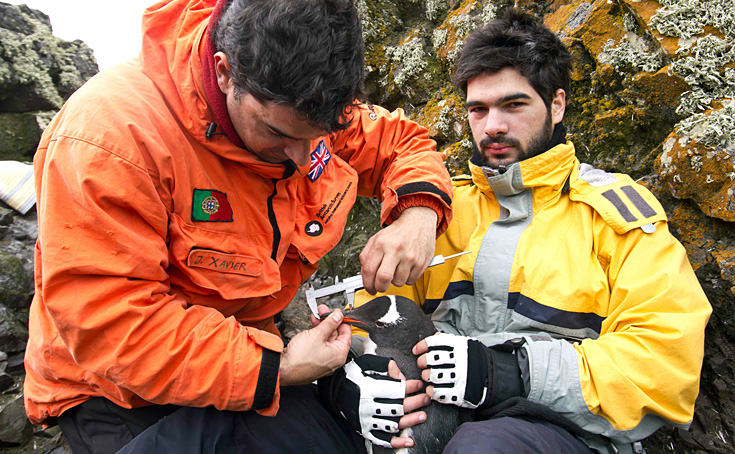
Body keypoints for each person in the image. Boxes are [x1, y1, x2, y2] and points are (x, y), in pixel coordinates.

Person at [24, 0, 452, 452]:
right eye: (278, 134)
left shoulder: (309, 107)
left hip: (252, 351)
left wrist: (418, 214)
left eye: (317, 137)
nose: (306, 157)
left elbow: (400, 144)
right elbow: (113, 326)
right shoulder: (110, 140)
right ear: (224, 72)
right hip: (118, 390)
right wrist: (279, 368)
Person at [346, 8, 711, 454]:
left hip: (564, 433)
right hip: (433, 419)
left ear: (556, 105)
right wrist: (353, 379)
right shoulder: (445, 210)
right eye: (477, 109)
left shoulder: (615, 217)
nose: (492, 125)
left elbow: (665, 368)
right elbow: (372, 315)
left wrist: (510, 371)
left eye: (513, 104)